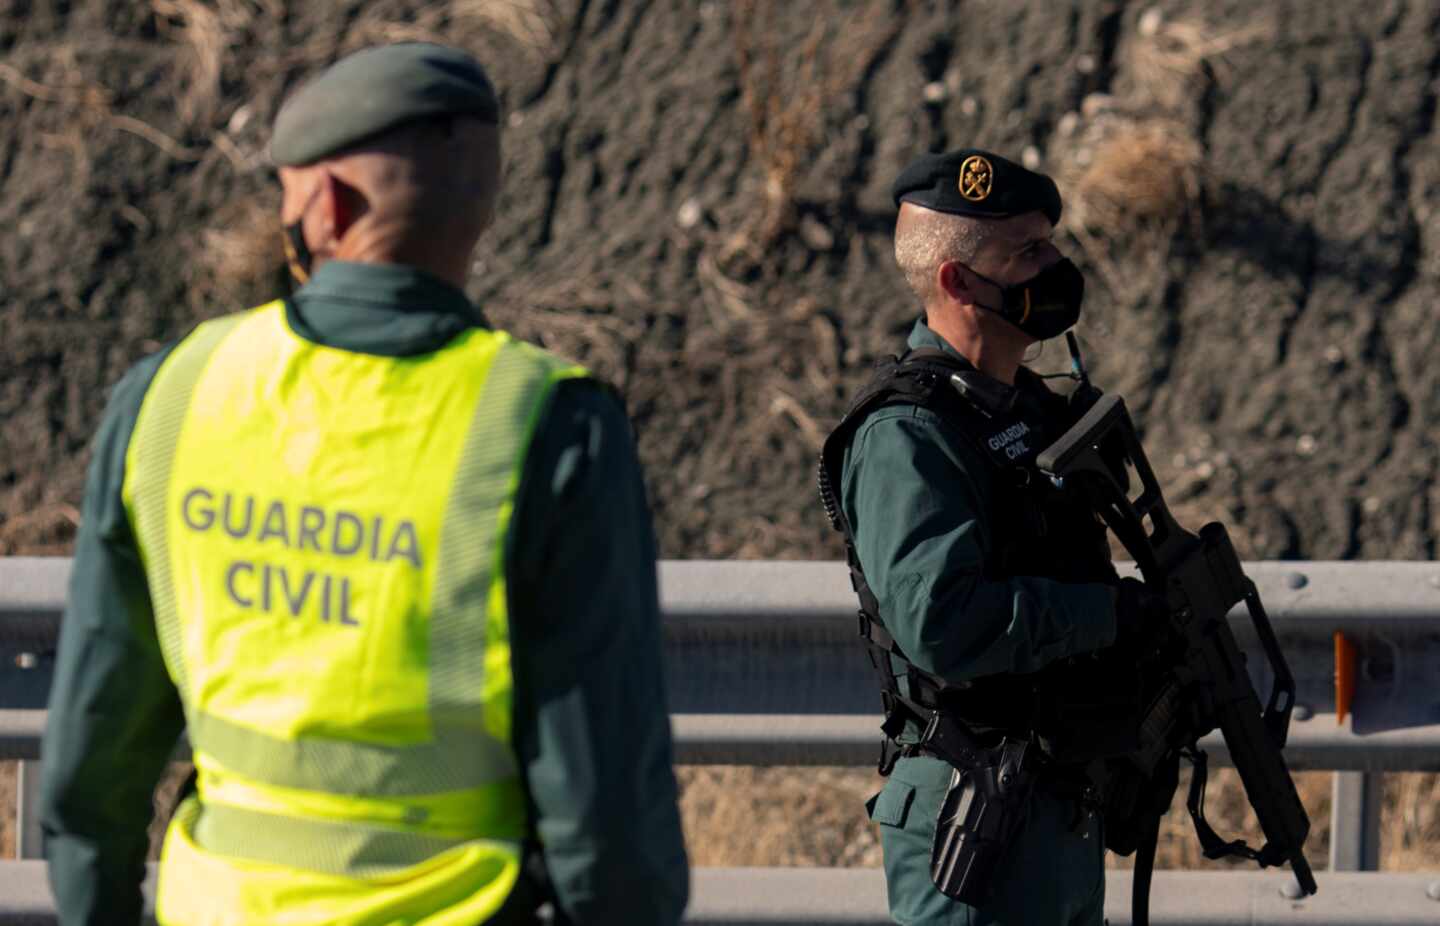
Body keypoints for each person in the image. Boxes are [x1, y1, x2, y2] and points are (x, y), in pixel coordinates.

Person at [40, 43, 688, 926]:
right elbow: (603, 802)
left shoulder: (175, 394)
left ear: (325, 205)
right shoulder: (546, 426)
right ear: (482, 206)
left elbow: (94, 758)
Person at [818, 149, 1160, 925]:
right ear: (959, 283)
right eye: (1028, 252)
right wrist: (1105, 616)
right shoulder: (910, 434)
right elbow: (944, 622)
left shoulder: (1028, 409)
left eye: (1050, 243)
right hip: (975, 816)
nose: (1056, 265)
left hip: (1055, 807)